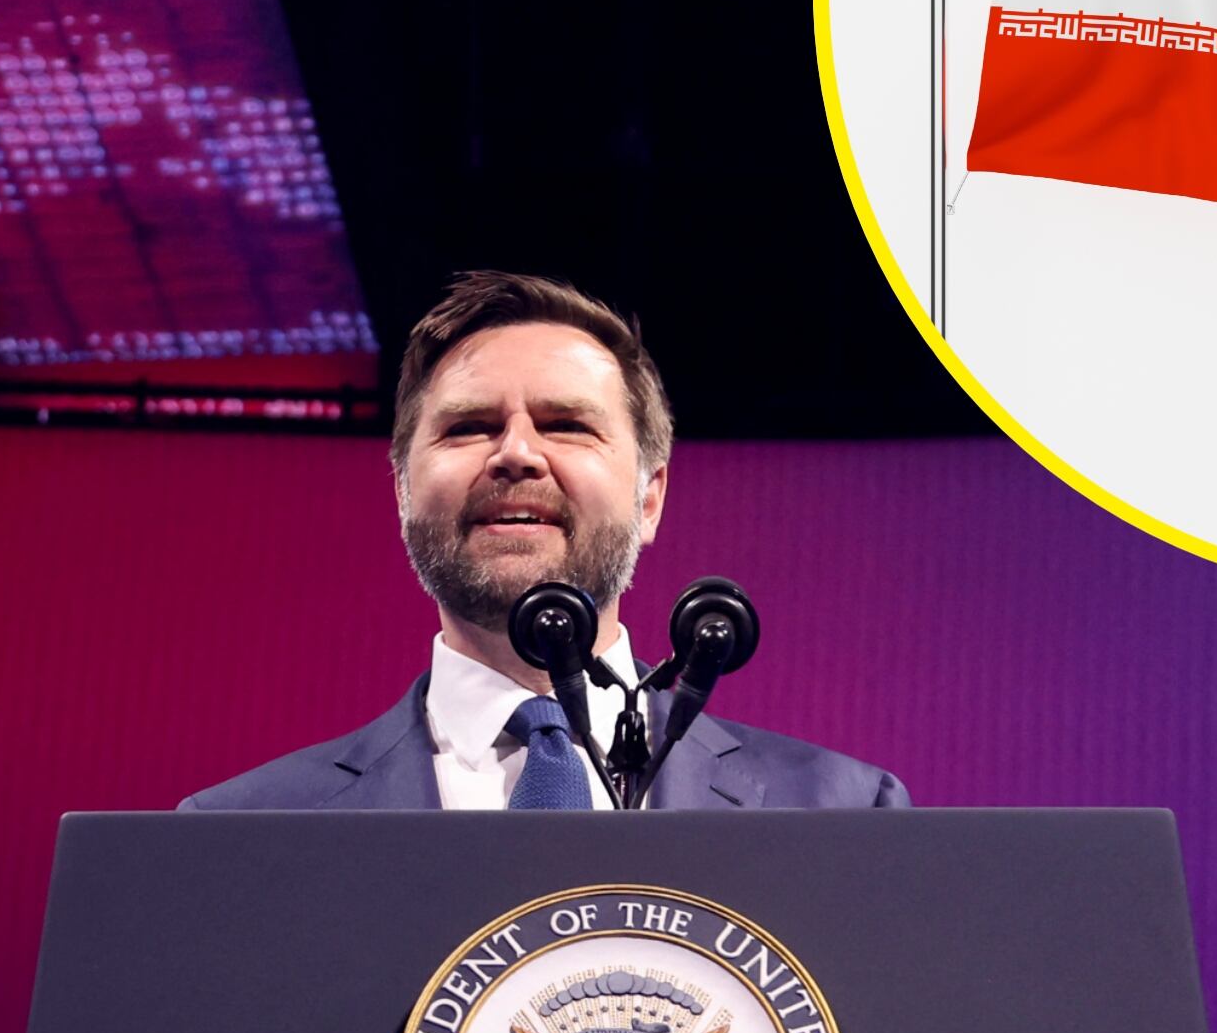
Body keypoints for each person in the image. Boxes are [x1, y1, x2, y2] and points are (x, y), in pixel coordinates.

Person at [180, 270, 908, 811]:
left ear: (649, 496)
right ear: (403, 490)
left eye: (566, 424)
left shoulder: (842, 811)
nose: (516, 453)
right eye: (468, 427)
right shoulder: (237, 831)